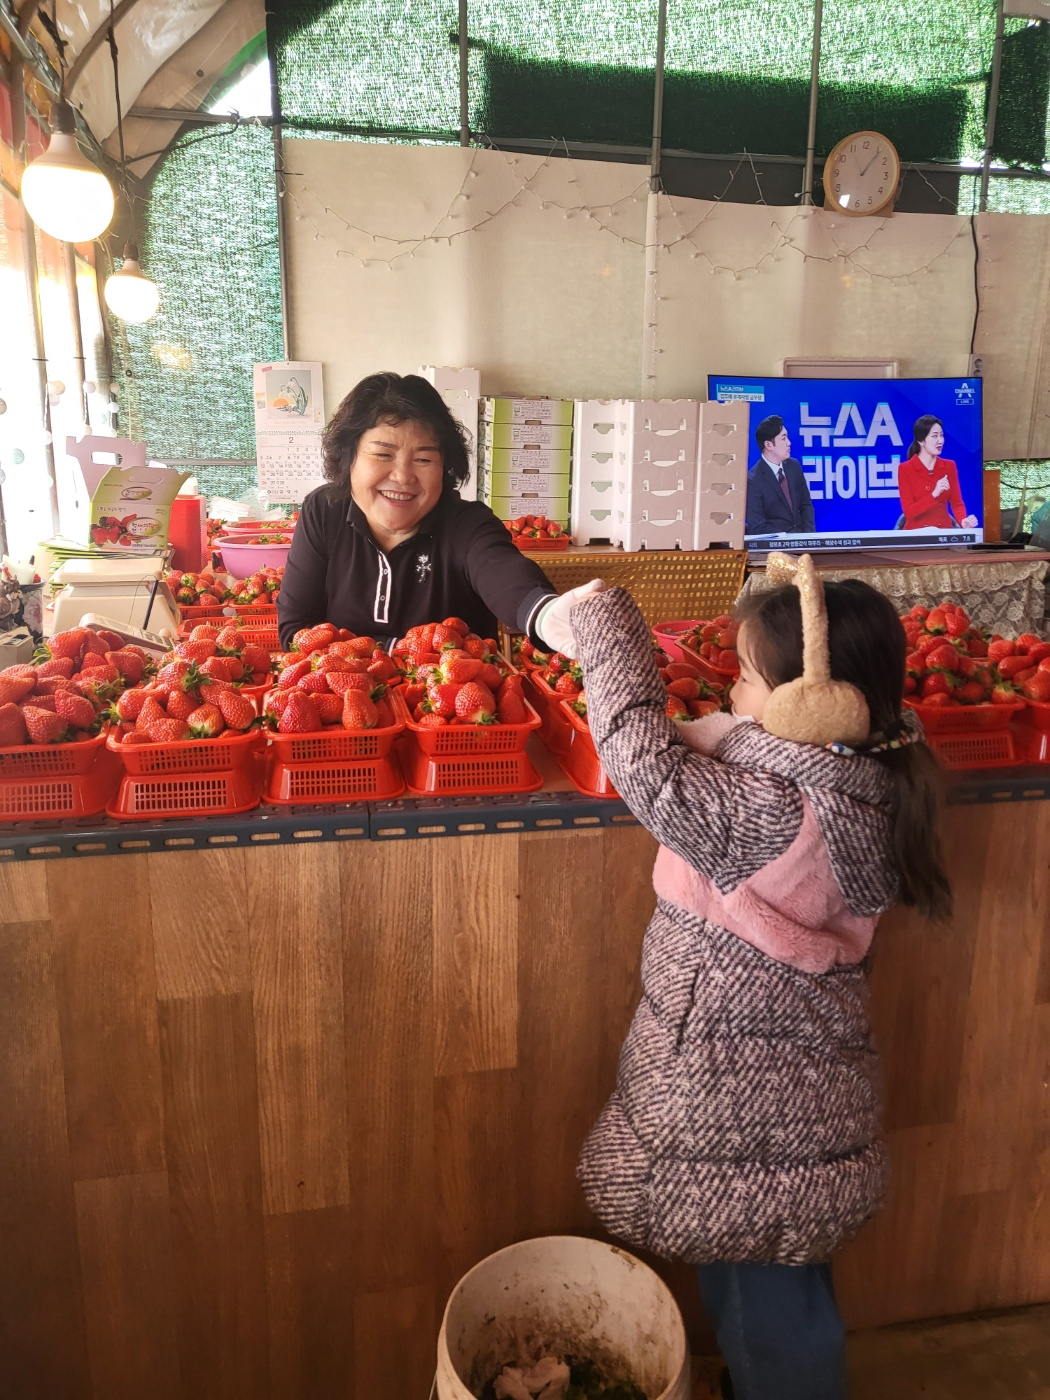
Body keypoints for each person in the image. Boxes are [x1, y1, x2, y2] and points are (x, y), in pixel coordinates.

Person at [564, 571, 951, 1400]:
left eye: (744, 675)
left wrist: (601, 621)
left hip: (733, 1106)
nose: (728, 688)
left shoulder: (768, 808)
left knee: (763, 1295)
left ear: (815, 703)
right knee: (773, 1272)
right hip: (788, 1106)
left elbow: (636, 754)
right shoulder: (865, 783)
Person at [277, 372, 585, 651]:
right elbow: (295, 630)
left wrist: (543, 614)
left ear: (445, 467)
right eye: (383, 454)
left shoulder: (467, 524)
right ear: (349, 457)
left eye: (423, 459)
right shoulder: (324, 511)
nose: (402, 476)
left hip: (452, 710)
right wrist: (397, 650)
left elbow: (503, 573)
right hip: (345, 703)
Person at [898, 415, 978, 531]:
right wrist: (934, 494)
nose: (940, 440)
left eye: (941, 435)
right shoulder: (906, 469)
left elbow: (957, 503)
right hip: (915, 535)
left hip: (944, 531)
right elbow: (909, 512)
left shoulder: (949, 466)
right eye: (934, 436)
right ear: (921, 440)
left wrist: (962, 521)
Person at [745, 414, 816, 536]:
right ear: (768, 445)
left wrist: (809, 538)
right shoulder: (753, 480)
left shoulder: (794, 466)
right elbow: (757, 527)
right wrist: (788, 540)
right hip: (776, 549)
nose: (789, 443)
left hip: (803, 543)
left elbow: (806, 506)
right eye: (783, 438)